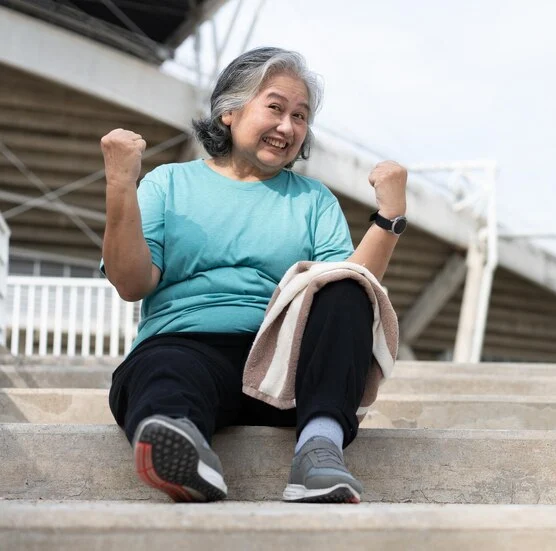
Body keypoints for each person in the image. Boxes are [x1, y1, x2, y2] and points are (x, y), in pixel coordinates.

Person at [100, 47, 408, 504]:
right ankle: (183, 449)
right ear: (229, 110)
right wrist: (120, 186)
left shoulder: (313, 200)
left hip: (284, 368)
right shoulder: (168, 183)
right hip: (187, 346)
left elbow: (354, 292)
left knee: (343, 284)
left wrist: (390, 215)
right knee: (162, 370)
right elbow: (131, 283)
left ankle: (319, 450)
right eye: (276, 108)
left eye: (300, 116)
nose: (288, 127)